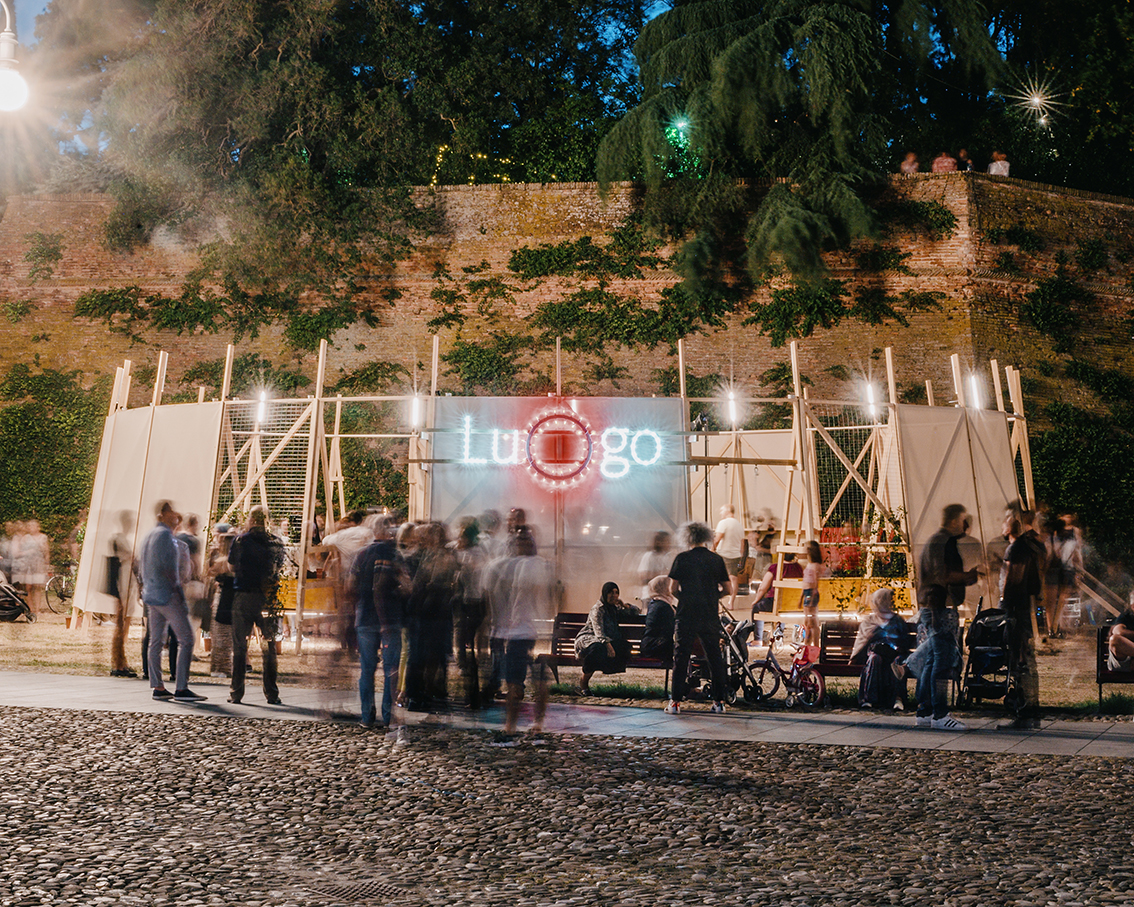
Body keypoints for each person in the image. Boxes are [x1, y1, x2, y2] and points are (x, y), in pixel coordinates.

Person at [484, 526, 556, 735]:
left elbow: (498, 595)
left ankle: (515, 725)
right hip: (522, 630)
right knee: (524, 680)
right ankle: (523, 724)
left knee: (524, 680)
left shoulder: (525, 566)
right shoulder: (525, 565)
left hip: (523, 630)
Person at [913, 503, 977, 730]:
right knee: (942, 661)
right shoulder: (945, 542)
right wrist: (967, 576)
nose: (966, 524)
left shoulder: (934, 541)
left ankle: (925, 711)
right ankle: (940, 715)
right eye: (963, 520)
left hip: (933, 608)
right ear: (953, 521)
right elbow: (942, 574)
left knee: (932, 660)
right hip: (940, 607)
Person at [138, 501, 205, 702]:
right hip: (167, 595)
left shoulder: (149, 536)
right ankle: (181, 687)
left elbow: (141, 566)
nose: (175, 515)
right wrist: (178, 592)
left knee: (156, 641)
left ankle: (158, 686)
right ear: (164, 514)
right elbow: (170, 568)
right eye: (171, 512)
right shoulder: (166, 537)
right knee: (187, 639)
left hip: (151, 594)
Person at [666, 521, 730, 715]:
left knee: (681, 657)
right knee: (714, 657)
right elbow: (728, 589)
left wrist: (684, 598)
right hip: (709, 614)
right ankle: (719, 702)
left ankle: (675, 702)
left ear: (687, 537)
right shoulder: (716, 560)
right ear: (706, 537)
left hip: (686, 614)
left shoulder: (682, 558)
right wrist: (712, 597)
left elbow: (672, 589)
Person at [355, 516, 410, 732]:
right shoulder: (395, 555)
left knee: (367, 669)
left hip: (365, 617)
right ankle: (388, 716)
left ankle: (367, 715)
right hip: (390, 619)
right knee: (390, 669)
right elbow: (404, 585)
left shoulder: (362, 554)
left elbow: (349, 584)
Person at [227, 505, 283, 705]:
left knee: (240, 646)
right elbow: (278, 567)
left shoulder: (240, 541)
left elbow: (231, 566)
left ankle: (236, 693)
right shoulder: (276, 542)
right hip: (267, 598)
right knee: (269, 646)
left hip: (243, 596)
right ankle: (272, 693)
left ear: (251, 520)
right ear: (267, 521)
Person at [404, 521, 458, 710]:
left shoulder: (442, 554)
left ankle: (428, 691)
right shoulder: (421, 555)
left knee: (431, 654)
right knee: (420, 655)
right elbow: (418, 582)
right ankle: (417, 694)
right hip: (424, 611)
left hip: (435, 610)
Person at [999, 509, 1044, 729]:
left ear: (1011, 527)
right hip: (1024, 608)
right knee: (1026, 660)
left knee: (1018, 660)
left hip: (1015, 610)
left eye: (1004, 522)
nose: (1001, 525)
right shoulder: (1030, 548)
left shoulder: (1015, 549)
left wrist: (1004, 603)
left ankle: (1024, 711)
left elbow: (1013, 579)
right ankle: (1030, 709)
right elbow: (1035, 585)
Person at [574, 581, 638, 694]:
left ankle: (602, 664)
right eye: (610, 592)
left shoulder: (614, 608)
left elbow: (636, 611)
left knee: (624, 646)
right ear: (604, 593)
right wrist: (609, 646)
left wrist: (624, 605)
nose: (614, 595)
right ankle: (583, 682)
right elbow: (598, 631)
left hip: (605, 639)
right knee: (598, 649)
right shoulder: (598, 609)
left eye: (616, 593)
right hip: (589, 638)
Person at [852, 588, 909, 709]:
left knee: (898, 662)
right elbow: (862, 640)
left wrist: (898, 645)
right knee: (874, 659)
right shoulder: (869, 620)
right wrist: (854, 657)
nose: (891, 602)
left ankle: (897, 699)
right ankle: (868, 699)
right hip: (875, 652)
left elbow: (905, 639)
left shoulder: (897, 620)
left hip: (894, 653)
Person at [750, 550, 804, 646]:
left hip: (775, 602)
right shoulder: (799, 568)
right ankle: (779, 634)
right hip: (794, 604)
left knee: (757, 608)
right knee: (782, 608)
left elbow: (762, 588)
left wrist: (755, 600)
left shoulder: (775, 567)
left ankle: (758, 639)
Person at [108, 510, 138, 678]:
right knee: (121, 625)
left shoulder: (124, 539)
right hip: (122, 585)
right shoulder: (118, 539)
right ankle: (118, 662)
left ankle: (121, 660)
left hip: (128, 584)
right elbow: (125, 559)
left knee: (124, 624)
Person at [712, 505, 745, 612]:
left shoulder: (723, 523)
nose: (720, 513)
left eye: (722, 511)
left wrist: (711, 551)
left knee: (715, 577)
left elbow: (717, 539)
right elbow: (742, 543)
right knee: (733, 578)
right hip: (735, 555)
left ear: (727, 511)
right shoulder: (739, 525)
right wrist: (741, 556)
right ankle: (731, 602)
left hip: (723, 554)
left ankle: (716, 601)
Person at [639, 575, 677, 665]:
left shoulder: (655, 603)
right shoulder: (663, 606)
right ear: (664, 587)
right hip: (657, 647)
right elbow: (671, 628)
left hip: (649, 645)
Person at [636, 531, 674, 605]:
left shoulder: (667, 557)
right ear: (658, 542)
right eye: (666, 541)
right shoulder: (649, 556)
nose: (669, 544)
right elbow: (643, 575)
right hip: (651, 596)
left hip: (665, 597)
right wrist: (662, 575)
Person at [800, 540, 824, 651]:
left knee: (812, 621)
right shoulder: (810, 565)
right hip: (807, 592)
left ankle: (814, 646)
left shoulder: (815, 566)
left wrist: (811, 597)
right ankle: (808, 645)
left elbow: (814, 583)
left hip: (811, 593)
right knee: (808, 621)